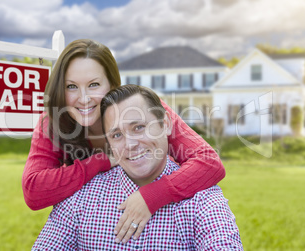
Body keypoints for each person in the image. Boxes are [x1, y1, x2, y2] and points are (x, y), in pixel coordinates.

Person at [22, 39, 226, 241]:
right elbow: (34, 191)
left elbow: (209, 162)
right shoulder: (53, 122)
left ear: (112, 84)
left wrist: (153, 196)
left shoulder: (142, 110)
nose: (83, 98)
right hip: (97, 215)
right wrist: (102, 161)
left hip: (162, 210)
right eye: (71, 86)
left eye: (93, 84)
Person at [32, 85, 243, 250]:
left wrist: (154, 196)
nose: (130, 144)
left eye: (139, 127)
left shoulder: (203, 201)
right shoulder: (81, 197)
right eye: (117, 135)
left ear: (166, 124)